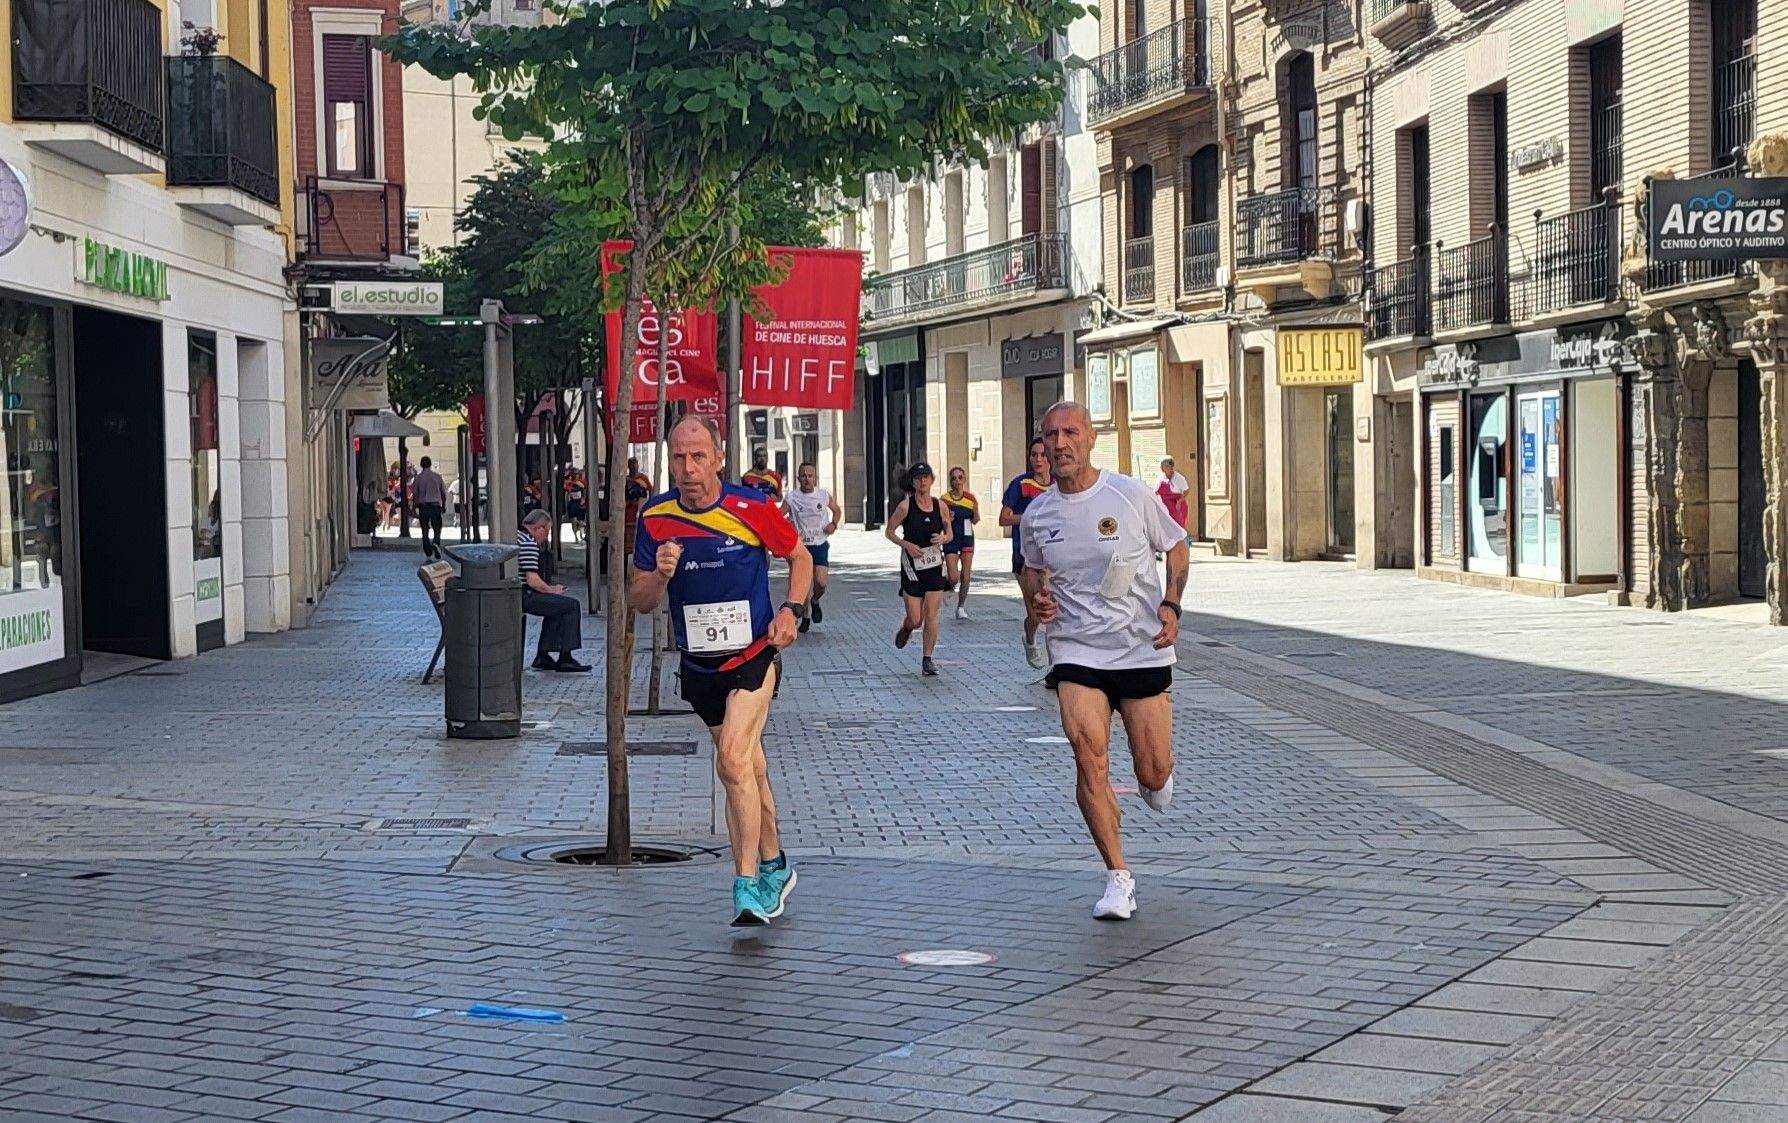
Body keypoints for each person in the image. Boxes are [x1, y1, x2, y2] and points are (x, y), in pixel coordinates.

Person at [632, 416, 813, 927]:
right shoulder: (655, 515)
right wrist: (660, 574)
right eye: (678, 458)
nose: (688, 469)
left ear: (718, 458)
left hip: (753, 655)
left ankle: (747, 884)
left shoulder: (750, 506)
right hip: (699, 667)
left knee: (731, 762)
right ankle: (777, 862)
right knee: (749, 767)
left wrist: (791, 611)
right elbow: (640, 601)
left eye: (698, 457)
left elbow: (798, 558)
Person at [1020, 402, 1189, 921]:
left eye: (1071, 432)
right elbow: (1031, 575)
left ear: (1092, 438)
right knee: (1087, 750)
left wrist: (1172, 603)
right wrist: (1038, 602)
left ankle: (1153, 777)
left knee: (1154, 774)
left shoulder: (1130, 495)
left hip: (1140, 647)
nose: (1061, 443)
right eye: (1051, 435)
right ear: (1042, 446)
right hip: (1075, 649)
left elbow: (1178, 549)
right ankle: (1118, 876)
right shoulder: (1037, 515)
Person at [885, 462, 951, 677]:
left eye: (926, 477)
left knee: (932, 614)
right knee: (916, 619)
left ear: (931, 480)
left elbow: (949, 533)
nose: (922, 482)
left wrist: (943, 538)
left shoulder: (940, 505)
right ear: (913, 483)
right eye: (918, 478)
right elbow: (890, 531)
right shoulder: (905, 506)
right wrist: (907, 545)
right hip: (912, 566)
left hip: (933, 565)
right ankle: (906, 628)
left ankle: (927, 659)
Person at [1000, 437, 1053, 668]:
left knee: (1055, 611)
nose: (1038, 459)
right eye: (1034, 455)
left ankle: (1058, 667)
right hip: (1024, 557)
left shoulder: (1060, 485)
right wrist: (1030, 518)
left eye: (1043, 454)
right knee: (1036, 613)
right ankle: (1030, 638)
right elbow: (1004, 518)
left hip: (1053, 556)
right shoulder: (1020, 484)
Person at [517, 509, 590, 672]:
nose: (547, 536)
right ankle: (566, 657)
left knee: (556, 607)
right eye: (548, 531)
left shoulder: (518, 536)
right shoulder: (529, 543)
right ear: (539, 528)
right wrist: (552, 590)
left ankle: (544, 655)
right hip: (523, 594)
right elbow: (532, 580)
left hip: (517, 592)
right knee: (571, 605)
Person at [783, 462, 840, 633]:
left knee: (821, 582)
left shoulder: (822, 495)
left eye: (810, 476)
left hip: (819, 543)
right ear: (798, 478)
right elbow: (779, 516)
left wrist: (834, 524)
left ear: (815, 477)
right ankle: (806, 617)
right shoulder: (792, 498)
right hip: (801, 546)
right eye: (803, 476)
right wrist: (787, 528)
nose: (807, 479)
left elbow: (837, 511)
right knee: (804, 583)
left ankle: (815, 601)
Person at [942, 467, 979, 620]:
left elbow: (976, 519)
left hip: (967, 537)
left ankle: (961, 606)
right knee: (953, 576)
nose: (957, 481)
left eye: (960, 478)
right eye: (953, 478)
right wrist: (947, 520)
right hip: (951, 539)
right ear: (950, 481)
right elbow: (939, 521)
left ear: (964, 480)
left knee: (966, 575)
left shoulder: (970, 499)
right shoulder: (944, 500)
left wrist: (975, 512)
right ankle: (949, 586)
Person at [412, 456, 447, 559]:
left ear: (421, 465)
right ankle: (436, 543)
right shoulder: (437, 476)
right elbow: (443, 493)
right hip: (435, 506)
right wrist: (443, 505)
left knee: (424, 529)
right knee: (437, 527)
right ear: (430, 464)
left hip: (423, 507)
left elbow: (415, 494)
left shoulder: (418, 478)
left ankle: (427, 549)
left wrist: (414, 508)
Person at [1157, 457, 1190, 537]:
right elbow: (1157, 491)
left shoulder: (1179, 478)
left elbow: (1186, 491)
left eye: (1163, 467)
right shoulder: (1161, 478)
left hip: (1177, 506)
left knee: (1178, 528)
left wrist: (1180, 501)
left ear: (1170, 467)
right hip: (1165, 507)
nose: (1161, 468)